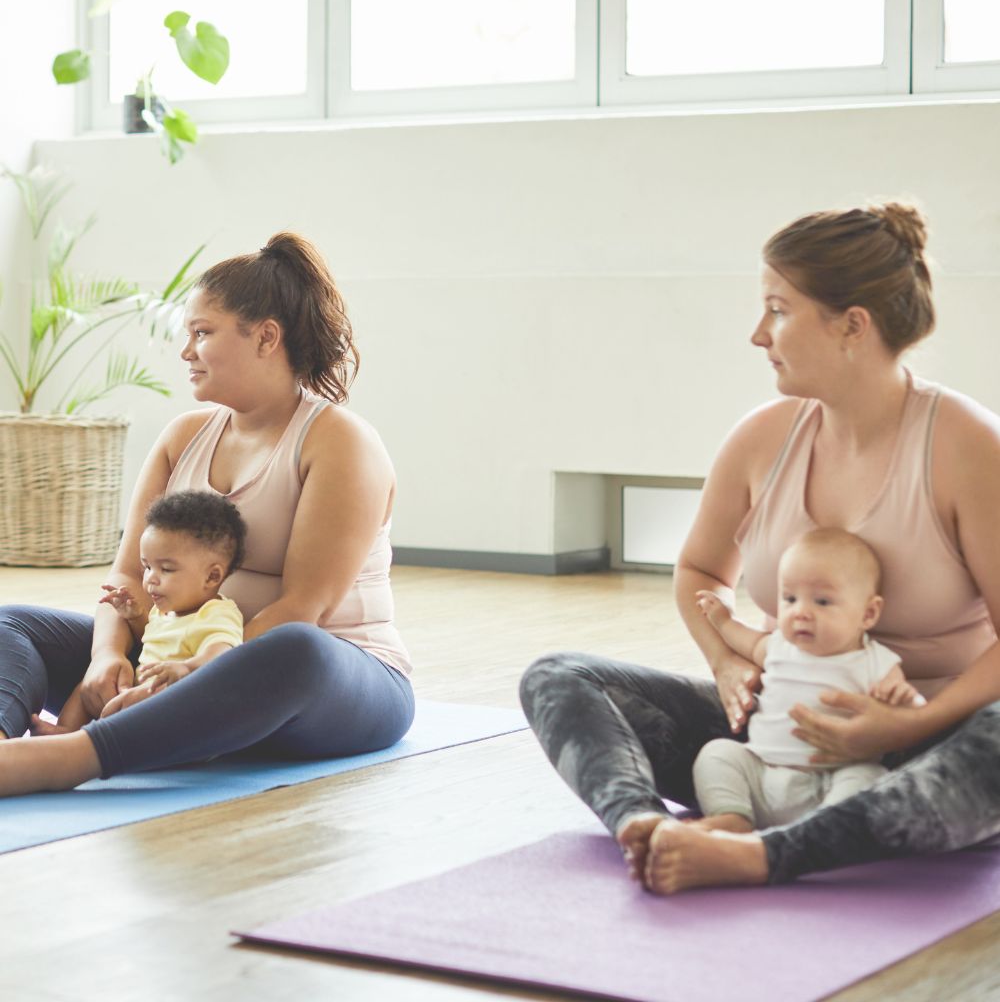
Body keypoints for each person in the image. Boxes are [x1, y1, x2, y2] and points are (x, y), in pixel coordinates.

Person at [520, 200, 1000, 894]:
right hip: (778, 736)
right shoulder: (761, 438)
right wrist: (723, 661)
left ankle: (762, 857)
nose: (757, 334)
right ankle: (647, 830)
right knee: (558, 676)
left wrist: (901, 725)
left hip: (933, 744)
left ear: (852, 327)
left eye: (777, 310)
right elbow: (700, 571)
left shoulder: (966, 445)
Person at [0, 232, 414, 794]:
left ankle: (74, 759)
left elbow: (302, 609)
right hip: (175, 660)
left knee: (296, 650)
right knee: (10, 623)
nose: (186, 351)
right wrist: (107, 655)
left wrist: (194, 674)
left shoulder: (340, 443)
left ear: (266, 337)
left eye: (202, 333)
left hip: (326, 681)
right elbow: (126, 577)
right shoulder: (183, 437)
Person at [692, 527, 921, 832]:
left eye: (822, 602)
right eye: (789, 598)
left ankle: (822, 831)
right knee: (718, 753)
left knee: (868, 776)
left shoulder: (875, 661)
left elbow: (909, 705)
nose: (801, 612)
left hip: (831, 782)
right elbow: (742, 639)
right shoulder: (777, 647)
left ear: (868, 613)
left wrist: (904, 701)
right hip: (761, 775)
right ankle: (733, 817)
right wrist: (722, 620)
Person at [42, 490, 247, 733]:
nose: (151, 579)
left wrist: (187, 668)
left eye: (166, 569)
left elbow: (222, 654)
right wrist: (135, 616)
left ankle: (89, 743)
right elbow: (150, 641)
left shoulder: (216, 613)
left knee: (129, 711)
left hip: (173, 700)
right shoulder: (166, 611)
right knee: (89, 683)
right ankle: (66, 730)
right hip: (141, 688)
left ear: (212, 576)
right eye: (147, 566)